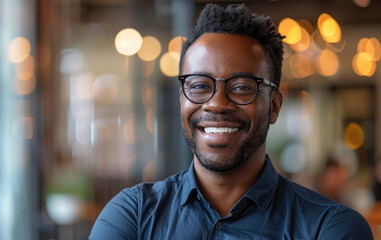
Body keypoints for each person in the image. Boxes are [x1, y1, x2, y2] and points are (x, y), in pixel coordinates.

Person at [89, 4, 373, 239]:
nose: (216, 103)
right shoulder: (133, 216)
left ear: (274, 107)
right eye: (199, 85)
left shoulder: (329, 228)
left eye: (241, 87)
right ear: (181, 100)